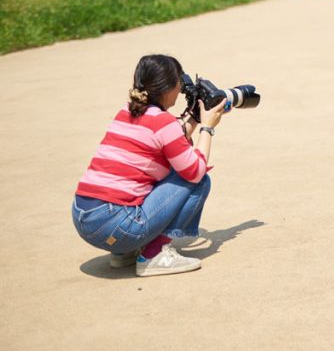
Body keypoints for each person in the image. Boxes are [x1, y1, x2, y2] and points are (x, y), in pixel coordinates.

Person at [72, 54, 227, 277]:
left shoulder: (127, 112)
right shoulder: (163, 122)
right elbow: (194, 172)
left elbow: (168, 139)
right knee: (199, 180)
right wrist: (208, 128)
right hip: (116, 224)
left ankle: (124, 252)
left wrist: (194, 118)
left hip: (84, 217)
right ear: (168, 88)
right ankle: (153, 255)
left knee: (161, 174)